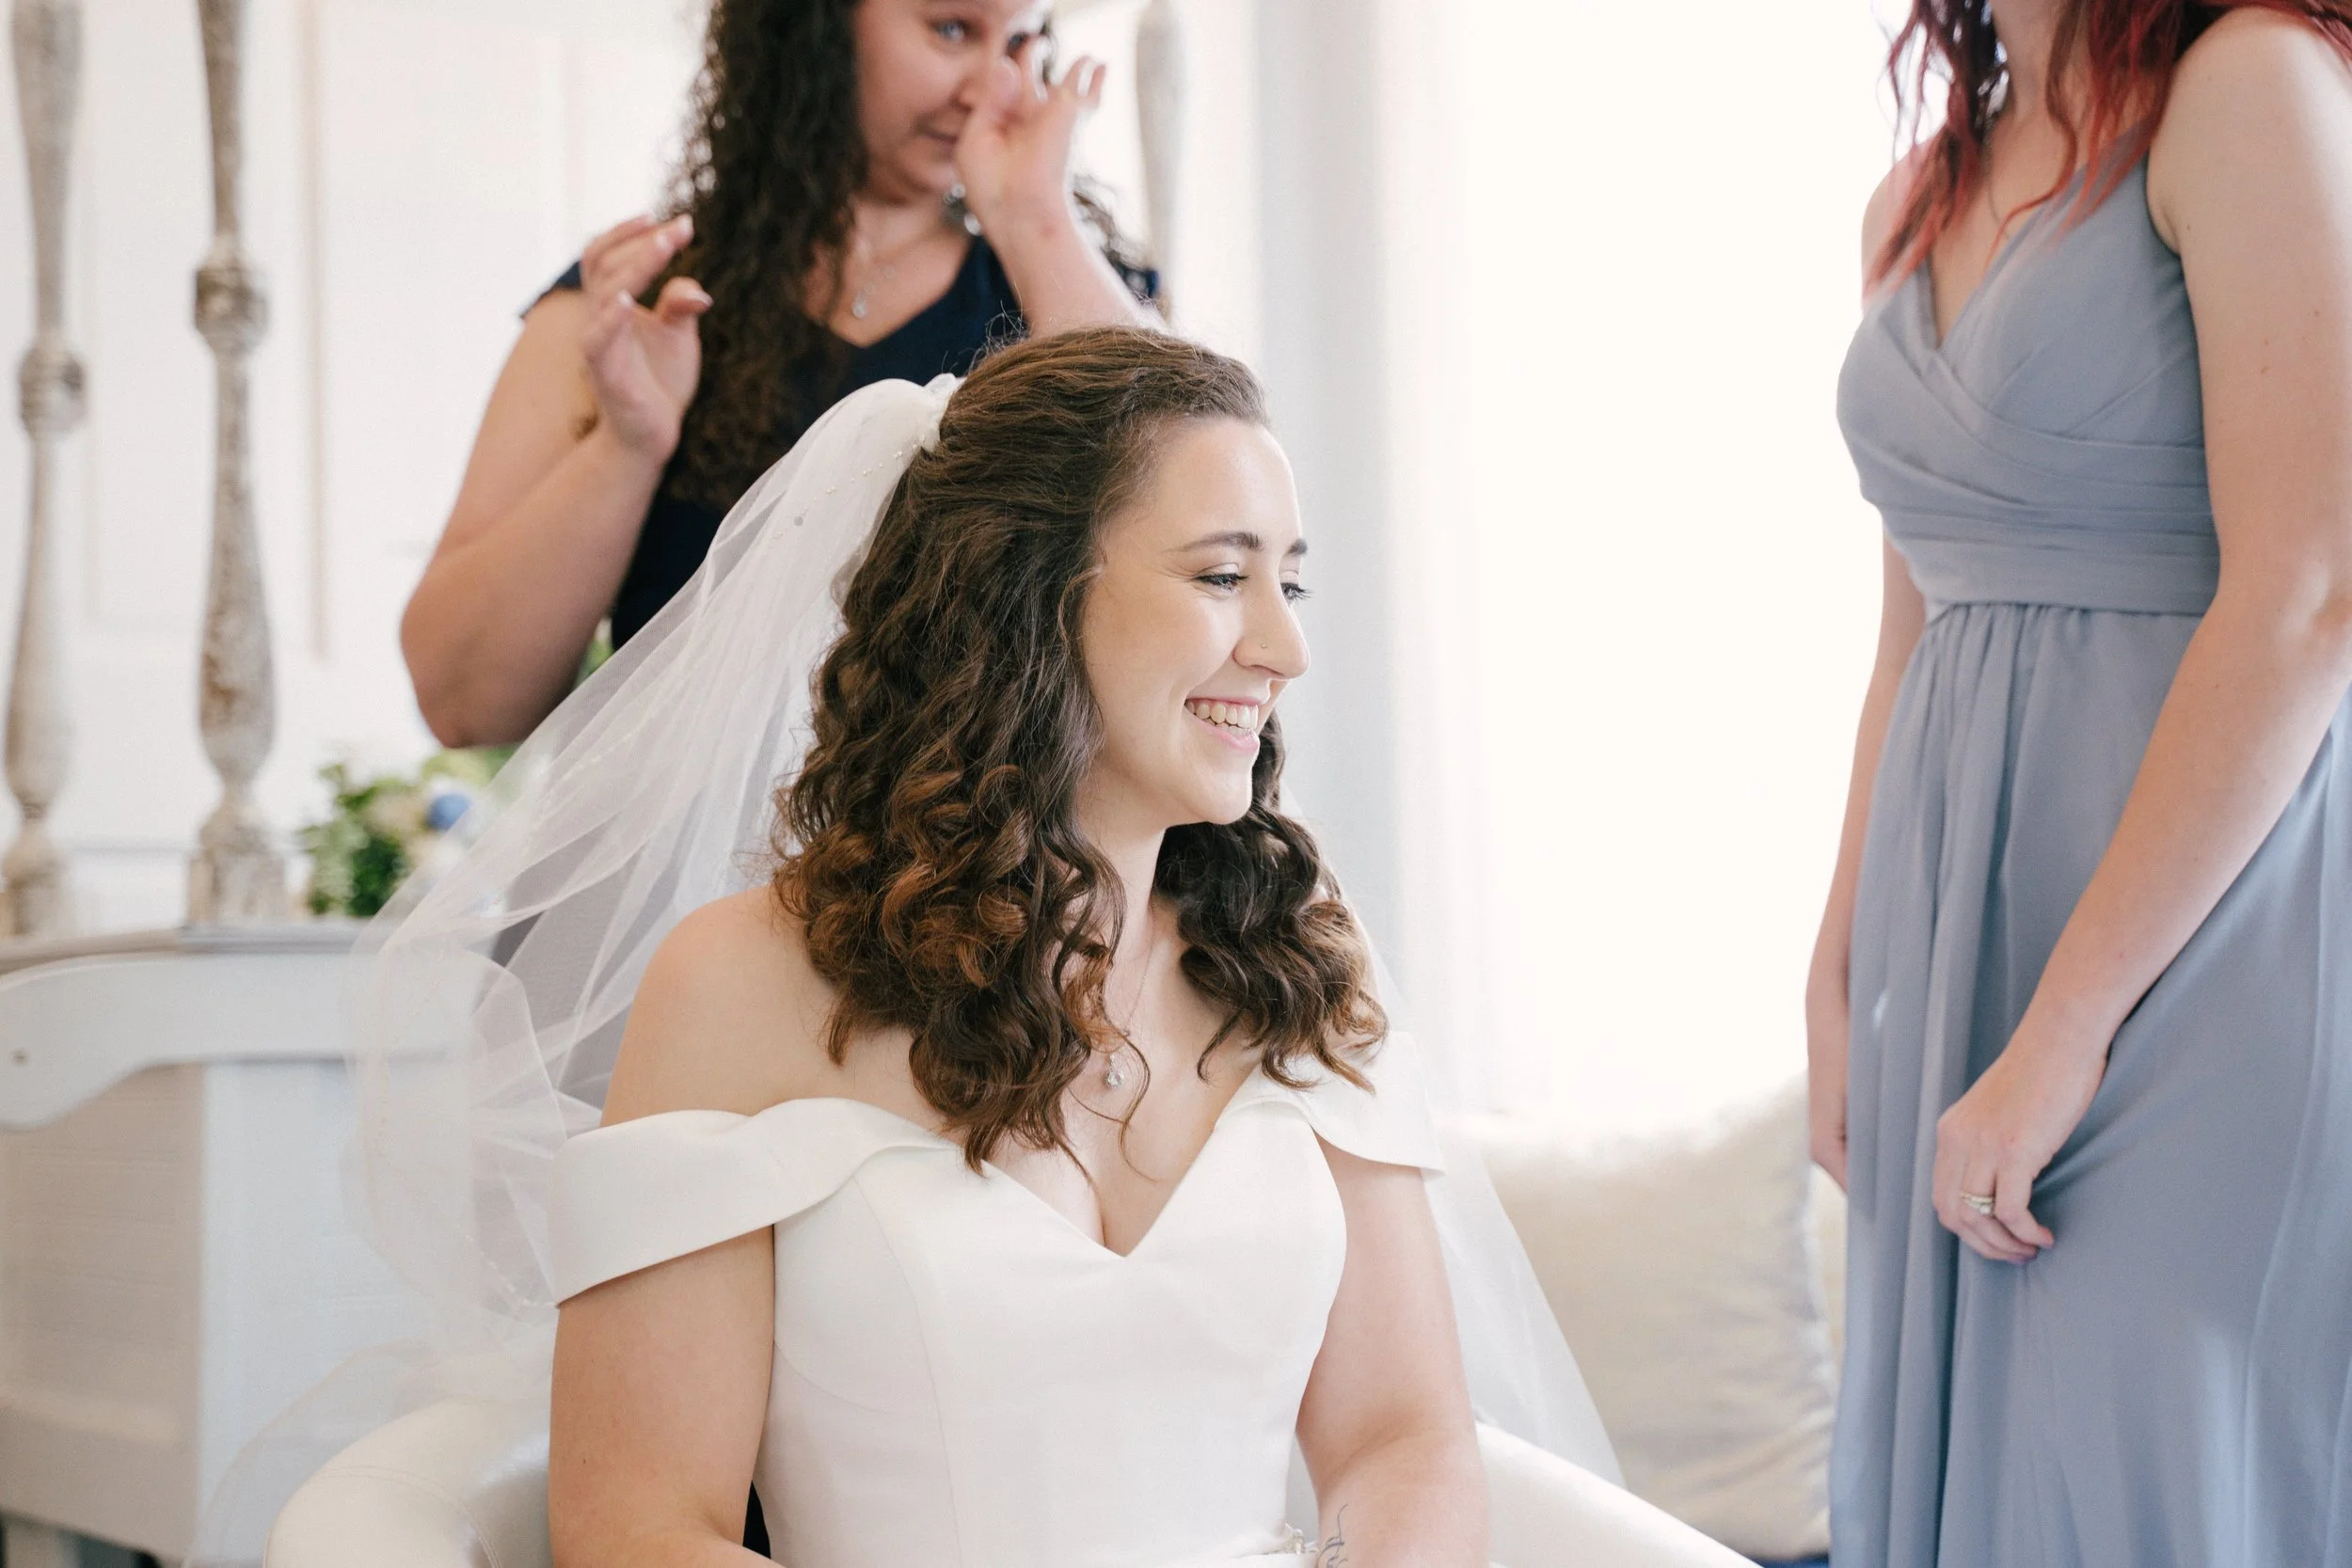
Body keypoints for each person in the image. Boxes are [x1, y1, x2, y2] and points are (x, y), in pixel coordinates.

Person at [329, 327, 1749, 1568]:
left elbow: (1402, 1436)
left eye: (1290, 585)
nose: (1282, 647)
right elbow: (639, 1529)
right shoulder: (735, 986)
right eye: (1219, 576)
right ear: (1025, 595)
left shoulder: (1306, 962)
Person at [1809, 0, 2352, 1562]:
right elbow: (1910, 633)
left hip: (2199, 944)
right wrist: (1839, 965)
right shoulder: (1917, 192)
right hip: (1959, 928)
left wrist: (2065, 1025)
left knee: (2142, 1472)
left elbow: (2310, 591)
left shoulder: (2245, 85)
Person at [399, 0, 1157, 748]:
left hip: (970, 866)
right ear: (817, 24)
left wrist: (1033, 216)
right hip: (688, 873)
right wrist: (625, 446)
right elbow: (463, 704)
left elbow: (1191, 544)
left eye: (1022, 42)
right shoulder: (634, 303)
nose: (992, 87)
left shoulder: (1067, 286)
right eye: (951, 29)